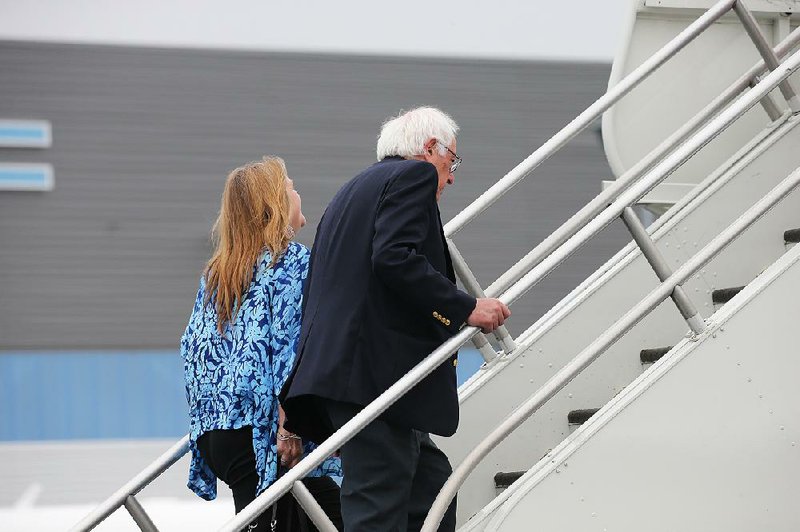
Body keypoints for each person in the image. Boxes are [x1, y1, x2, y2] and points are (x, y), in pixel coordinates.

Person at [280, 107, 510, 531]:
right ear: (430, 148)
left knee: (431, 489)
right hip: (371, 380)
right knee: (377, 511)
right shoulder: (413, 177)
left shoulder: (353, 190)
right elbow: (393, 257)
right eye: (451, 161)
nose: (451, 175)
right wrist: (465, 307)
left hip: (349, 376)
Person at [181, 157, 343, 531]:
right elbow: (290, 350)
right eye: (291, 188)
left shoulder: (218, 274)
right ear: (275, 205)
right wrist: (291, 427)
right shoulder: (292, 263)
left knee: (301, 513)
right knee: (330, 515)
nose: (298, 193)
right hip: (266, 434)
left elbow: (193, 350)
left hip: (219, 432)